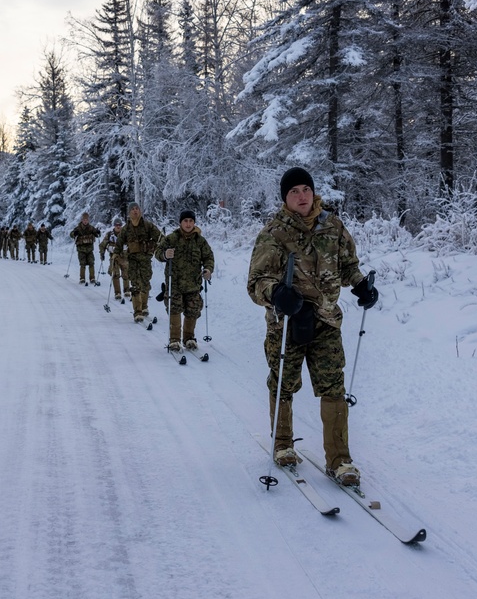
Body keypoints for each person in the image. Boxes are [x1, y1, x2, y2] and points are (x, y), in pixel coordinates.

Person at [246, 167, 378, 485]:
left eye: (306, 189)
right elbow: (256, 281)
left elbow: (347, 265)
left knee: (334, 387)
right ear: (286, 198)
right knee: (284, 383)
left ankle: (340, 460)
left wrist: (361, 285)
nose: (302, 196)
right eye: (294, 192)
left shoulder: (331, 226)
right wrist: (277, 293)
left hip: (326, 320)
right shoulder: (274, 232)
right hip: (286, 324)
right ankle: (283, 446)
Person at [155, 210, 214, 351]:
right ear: (180, 222)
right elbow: (157, 252)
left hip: (193, 284)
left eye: (191, 221)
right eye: (185, 221)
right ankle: (174, 340)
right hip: (174, 283)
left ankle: (189, 338)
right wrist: (164, 254)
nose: (188, 224)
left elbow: (208, 257)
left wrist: (208, 269)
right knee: (174, 309)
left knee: (192, 310)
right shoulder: (171, 238)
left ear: (194, 223)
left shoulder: (200, 241)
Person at [115, 202, 163, 322]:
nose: (135, 211)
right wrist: (116, 254)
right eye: (133, 209)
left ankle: (144, 306)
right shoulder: (126, 228)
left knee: (145, 283)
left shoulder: (148, 226)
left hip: (146, 259)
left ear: (140, 211)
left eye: (137, 209)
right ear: (129, 212)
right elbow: (119, 242)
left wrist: (164, 245)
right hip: (132, 260)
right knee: (135, 284)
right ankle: (137, 311)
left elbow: (159, 237)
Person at [100, 218, 130, 300]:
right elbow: (103, 244)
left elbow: (131, 244)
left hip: (124, 258)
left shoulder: (125, 234)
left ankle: (127, 291)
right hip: (114, 258)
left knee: (126, 275)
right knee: (115, 275)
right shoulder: (109, 235)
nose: (118, 226)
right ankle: (117, 293)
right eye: (116, 225)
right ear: (114, 225)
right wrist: (102, 254)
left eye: (119, 225)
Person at [69, 212, 101, 285]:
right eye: (84, 220)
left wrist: (98, 232)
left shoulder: (91, 228)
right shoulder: (78, 228)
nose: (85, 221)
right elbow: (71, 234)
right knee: (82, 264)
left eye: (86, 220)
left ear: (88, 220)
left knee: (91, 263)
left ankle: (92, 278)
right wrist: (74, 233)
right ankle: (82, 278)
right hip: (81, 250)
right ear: (82, 220)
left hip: (90, 249)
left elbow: (97, 234)